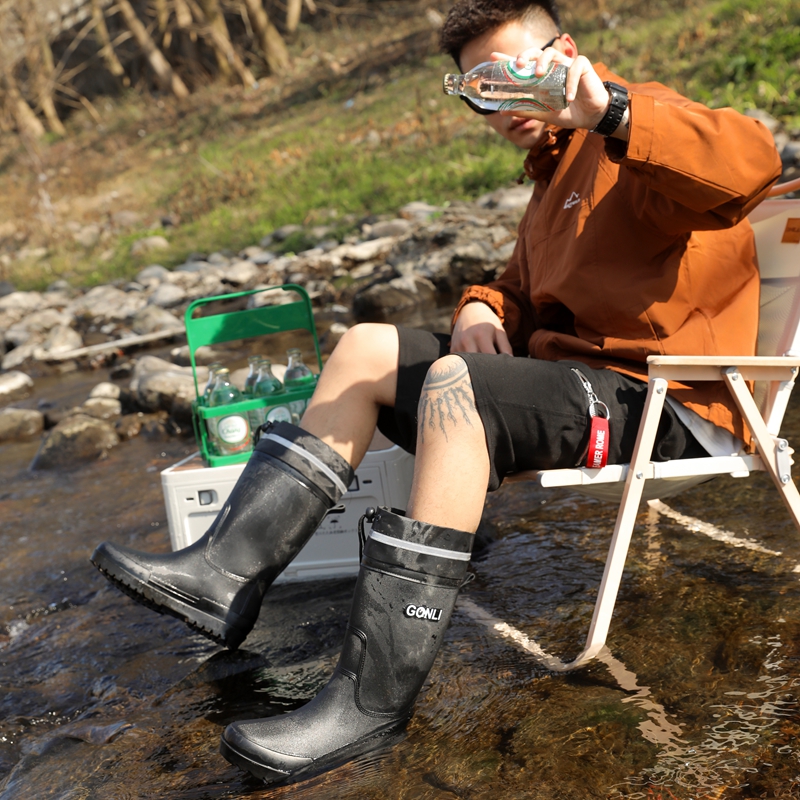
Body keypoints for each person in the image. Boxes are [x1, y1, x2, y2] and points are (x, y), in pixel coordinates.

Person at [91, 0, 782, 786]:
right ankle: (225, 575)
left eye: (520, 73)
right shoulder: (554, 175)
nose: (503, 100)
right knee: (365, 346)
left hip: (668, 405)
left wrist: (613, 110)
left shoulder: (636, 133)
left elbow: (750, 161)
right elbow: (524, 292)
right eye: (481, 86)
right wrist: (484, 304)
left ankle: (372, 702)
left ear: (567, 53)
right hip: (579, 385)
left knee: (457, 385)